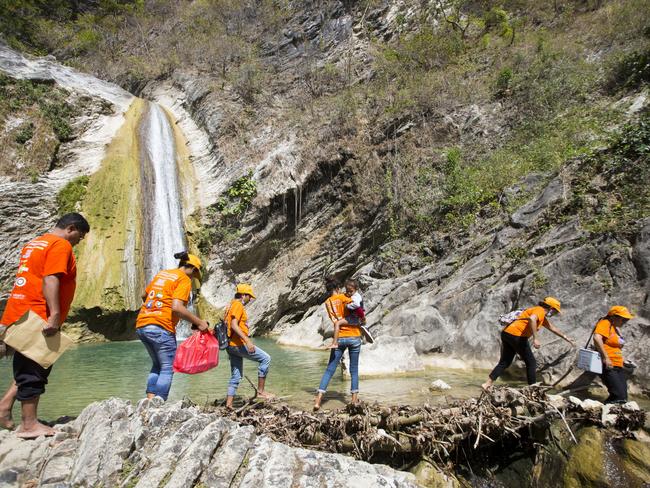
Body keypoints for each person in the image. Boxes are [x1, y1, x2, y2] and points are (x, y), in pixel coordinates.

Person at [0, 213, 89, 438]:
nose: (80, 241)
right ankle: (29, 425)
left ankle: (5, 407)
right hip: (39, 314)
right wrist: (55, 315)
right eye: (80, 235)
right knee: (35, 369)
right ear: (71, 228)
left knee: (33, 361)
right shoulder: (60, 245)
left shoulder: (35, 243)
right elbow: (51, 278)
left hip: (19, 310)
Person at [135, 251, 208, 401]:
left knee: (157, 365)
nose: (193, 278)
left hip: (142, 325)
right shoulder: (184, 279)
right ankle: (159, 403)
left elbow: (144, 296)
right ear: (193, 269)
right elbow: (177, 307)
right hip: (161, 327)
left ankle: (149, 402)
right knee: (168, 368)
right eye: (195, 274)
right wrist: (199, 322)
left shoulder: (163, 274)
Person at [482, 297, 575, 390]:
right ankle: (533, 388)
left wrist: (566, 338)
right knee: (531, 363)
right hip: (517, 336)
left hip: (507, 333)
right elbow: (532, 319)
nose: (555, 314)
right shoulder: (540, 310)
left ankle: (487, 384)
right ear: (551, 308)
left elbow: (552, 328)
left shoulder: (539, 313)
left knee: (505, 362)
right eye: (555, 311)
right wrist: (535, 338)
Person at [314, 277, 362, 411]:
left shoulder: (327, 302)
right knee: (354, 370)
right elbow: (357, 308)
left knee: (329, 370)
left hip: (339, 337)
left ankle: (318, 400)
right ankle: (353, 401)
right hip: (353, 335)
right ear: (337, 288)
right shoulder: (343, 297)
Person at [224, 283, 273, 408]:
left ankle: (228, 404)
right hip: (238, 344)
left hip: (230, 346)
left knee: (236, 375)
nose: (250, 299)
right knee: (265, 358)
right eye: (249, 296)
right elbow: (234, 325)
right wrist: (248, 341)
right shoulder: (238, 305)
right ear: (243, 295)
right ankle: (261, 392)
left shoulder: (229, 305)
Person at [592, 305, 633, 404]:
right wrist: (606, 357)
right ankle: (605, 413)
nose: (625, 322)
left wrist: (624, 360)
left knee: (623, 395)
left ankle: (609, 412)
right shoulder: (605, 323)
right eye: (623, 319)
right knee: (618, 395)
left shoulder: (614, 327)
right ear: (613, 316)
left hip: (617, 364)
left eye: (626, 320)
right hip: (608, 365)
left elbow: (616, 346)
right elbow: (597, 338)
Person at [329, 279, 366, 349]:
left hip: (354, 317)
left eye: (351, 291)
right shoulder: (354, 295)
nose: (349, 293)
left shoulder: (355, 297)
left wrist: (347, 306)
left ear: (356, 289)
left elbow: (357, 305)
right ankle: (362, 327)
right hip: (356, 316)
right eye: (347, 291)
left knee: (337, 323)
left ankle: (335, 343)